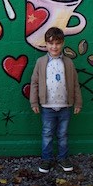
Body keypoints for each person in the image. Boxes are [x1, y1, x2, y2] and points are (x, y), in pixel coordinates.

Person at [29, 26, 82, 173]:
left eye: (57, 43)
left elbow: (75, 84)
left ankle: (63, 158)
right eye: (51, 43)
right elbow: (34, 82)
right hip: (47, 107)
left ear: (63, 43)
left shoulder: (69, 63)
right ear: (46, 44)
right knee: (47, 134)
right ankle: (46, 160)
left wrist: (78, 102)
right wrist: (34, 102)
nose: (54, 46)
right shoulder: (40, 62)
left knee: (63, 134)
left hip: (65, 106)